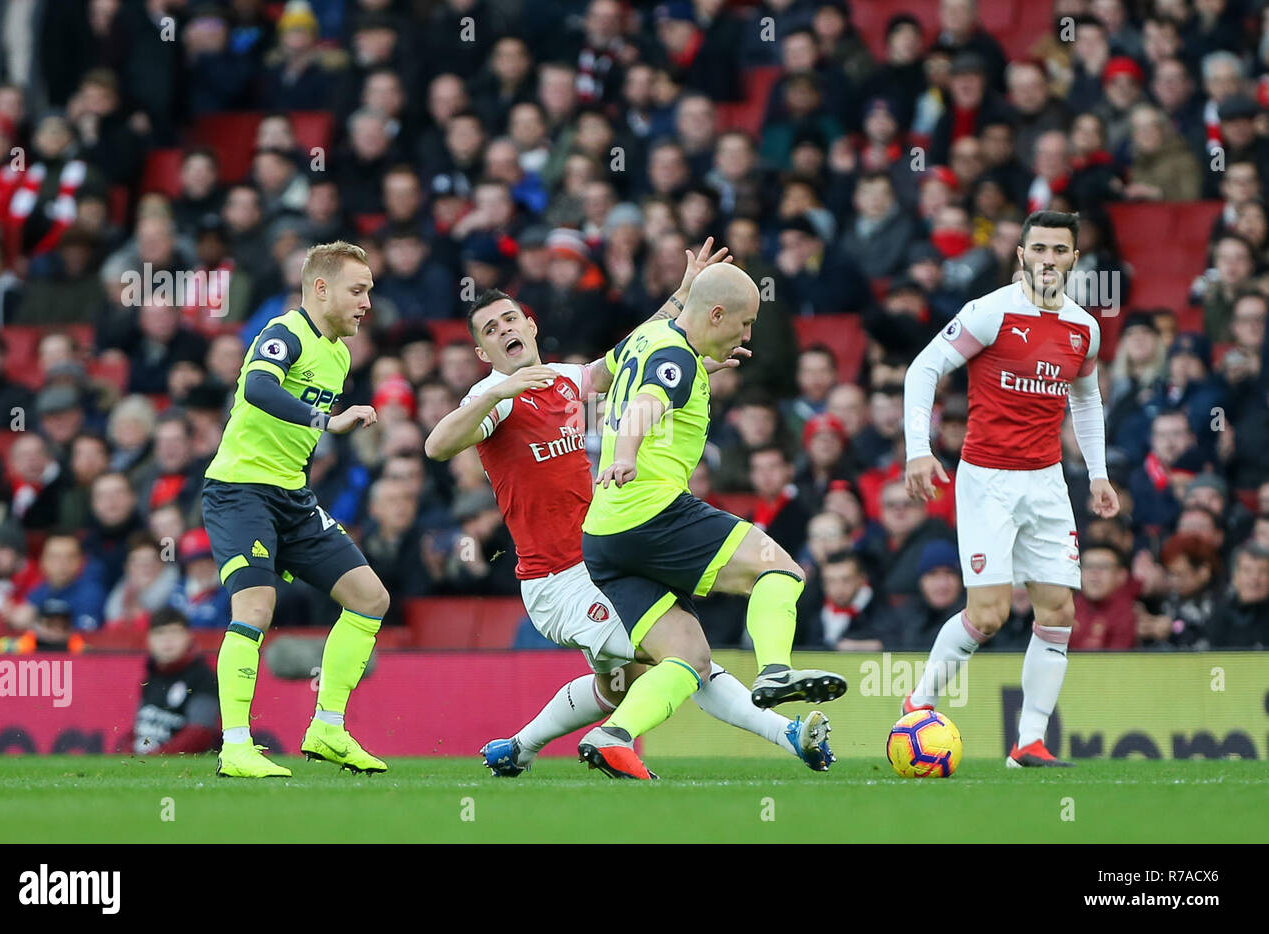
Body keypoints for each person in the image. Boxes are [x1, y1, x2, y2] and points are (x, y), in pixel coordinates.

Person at [425, 240, 832, 778]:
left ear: (530, 324)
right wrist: (493, 393)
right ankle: (788, 733)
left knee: (621, 684)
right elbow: (436, 446)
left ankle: (516, 749)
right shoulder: (495, 397)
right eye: (491, 331)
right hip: (558, 578)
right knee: (687, 658)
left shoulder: (568, 380)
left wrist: (683, 300)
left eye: (509, 320)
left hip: (602, 555)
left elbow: (635, 354)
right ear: (484, 353)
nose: (504, 331)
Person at [578, 254, 846, 779]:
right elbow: (645, 404)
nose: (747, 333)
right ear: (718, 314)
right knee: (782, 569)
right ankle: (774, 671)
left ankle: (614, 735)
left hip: (603, 535)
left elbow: (593, 380)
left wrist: (693, 344)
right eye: (745, 323)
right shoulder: (675, 358)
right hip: (652, 511)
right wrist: (625, 453)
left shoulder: (647, 339)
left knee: (688, 658)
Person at [902, 210, 1120, 768]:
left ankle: (1028, 743)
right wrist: (918, 450)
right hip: (988, 480)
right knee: (991, 615)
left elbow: (1087, 399)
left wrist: (1096, 473)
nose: (1049, 259)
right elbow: (923, 370)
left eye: (1060, 250)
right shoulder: (991, 311)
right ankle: (918, 702)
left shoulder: (1083, 328)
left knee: (1057, 610)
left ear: (1075, 258)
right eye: (1039, 248)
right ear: (1021, 255)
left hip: (1047, 481)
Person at [201, 241, 391, 779]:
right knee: (256, 607)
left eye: (370, 291)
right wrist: (323, 420)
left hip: (291, 497)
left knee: (370, 598)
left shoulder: (340, 352)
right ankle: (235, 745)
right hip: (240, 490)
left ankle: (327, 728)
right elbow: (260, 388)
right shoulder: (285, 333)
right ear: (321, 288)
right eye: (358, 290)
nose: (366, 303)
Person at [120, 607, 222, 755]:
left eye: (174, 632)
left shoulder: (203, 676)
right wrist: (127, 751)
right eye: (160, 633)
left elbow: (201, 733)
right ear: (149, 640)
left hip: (179, 763)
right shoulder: (151, 675)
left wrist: (157, 756)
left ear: (188, 636)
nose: (167, 640)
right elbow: (139, 726)